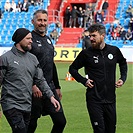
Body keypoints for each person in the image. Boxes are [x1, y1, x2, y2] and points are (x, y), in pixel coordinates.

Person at [69, 23, 127, 133]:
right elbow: (73, 69)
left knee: (111, 130)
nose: (91, 38)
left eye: (94, 36)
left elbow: (123, 63)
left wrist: (122, 78)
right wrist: (83, 80)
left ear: (102, 35)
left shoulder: (113, 51)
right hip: (94, 99)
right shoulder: (86, 53)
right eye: (90, 36)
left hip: (110, 99)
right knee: (99, 130)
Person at [0, 28, 60, 133]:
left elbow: (40, 80)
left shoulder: (33, 59)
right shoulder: (5, 59)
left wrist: (51, 96)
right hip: (11, 104)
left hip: (27, 105)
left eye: (31, 38)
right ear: (19, 40)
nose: (31, 41)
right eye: (28, 38)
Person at [27, 9, 66, 133]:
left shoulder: (49, 40)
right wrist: (33, 85)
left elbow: (51, 64)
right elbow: (25, 65)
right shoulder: (29, 39)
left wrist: (57, 86)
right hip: (34, 89)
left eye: (45, 20)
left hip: (49, 87)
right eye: (39, 20)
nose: (42, 23)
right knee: (31, 124)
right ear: (33, 21)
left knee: (60, 121)